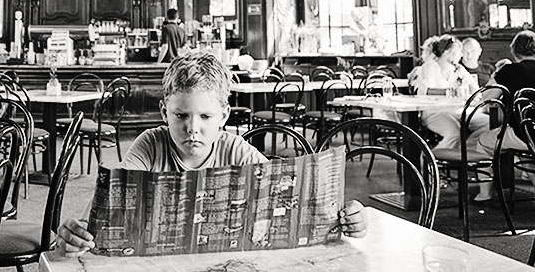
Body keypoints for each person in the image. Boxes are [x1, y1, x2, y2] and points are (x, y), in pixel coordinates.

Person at [56, 52, 367, 254]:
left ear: (224, 115)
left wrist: (349, 217)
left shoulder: (237, 150)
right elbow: (107, 205)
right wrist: (77, 233)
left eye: (205, 117)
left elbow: (292, 196)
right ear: (164, 112)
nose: (193, 128)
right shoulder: (150, 145)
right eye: (181, 116)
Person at [475, 31, 535, 201]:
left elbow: (487, 98)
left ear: (514, 51)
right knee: (528, 150)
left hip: (525, 133)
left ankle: (484, 195)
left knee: (483, 142)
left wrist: (496, 74)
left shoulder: (510, 70)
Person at [415, 34, 486, 150]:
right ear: (447, 53)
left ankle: (466, 150)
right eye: (459, 52)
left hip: (457, 110)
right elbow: (424, 91)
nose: (461, 55)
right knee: (455, 133)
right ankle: (431, 158)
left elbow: (474, 86)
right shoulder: (430, 67)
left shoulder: (457, 68)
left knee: (489, 124)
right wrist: (450, 92)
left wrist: (474, 94)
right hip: (434, 112)